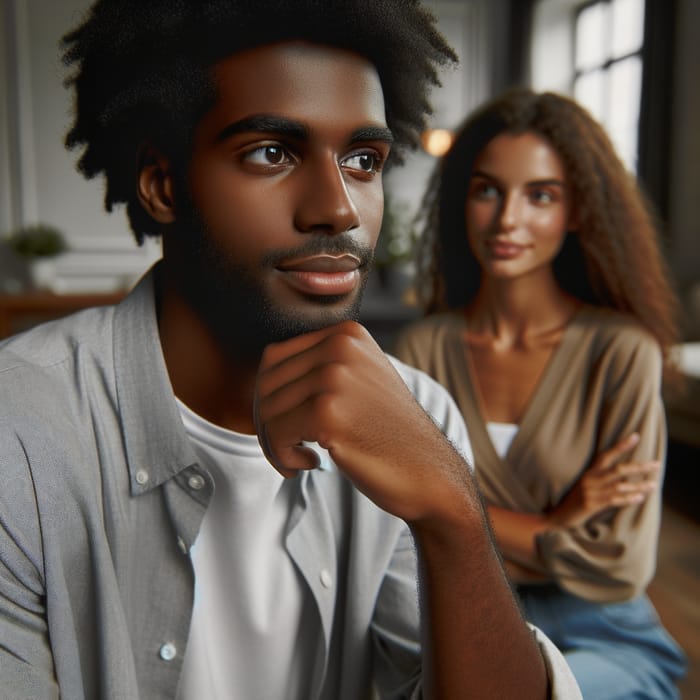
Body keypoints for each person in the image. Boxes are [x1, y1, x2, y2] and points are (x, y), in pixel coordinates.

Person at [0, 3, 583, 699]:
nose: (338, 207)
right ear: (162, 185)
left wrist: (454, 512)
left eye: (363, 160)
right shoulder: (21, 430)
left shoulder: (418, 413)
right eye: (271, 153)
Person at [395, 87, 688, 699]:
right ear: (462, 201)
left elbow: (618, 564)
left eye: (541, 195)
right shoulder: (425, 349)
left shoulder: (622, 351)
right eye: (487, 190)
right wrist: (558, 525)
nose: (508, 220)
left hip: (605, 637)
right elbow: (398, 526)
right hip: (458, 620)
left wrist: (457, 520)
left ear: (576, 211)